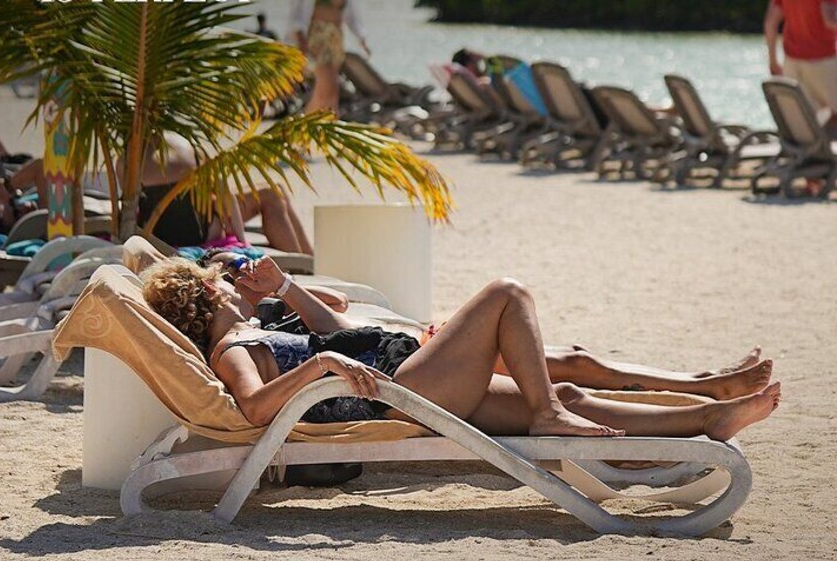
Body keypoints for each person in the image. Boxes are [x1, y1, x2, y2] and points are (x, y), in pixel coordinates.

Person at [142, 255, 781, 440]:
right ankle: (549, 415)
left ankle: (708, 419)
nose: (228, 283)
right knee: (506, 293)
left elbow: (332, 320)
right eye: (217, 282)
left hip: (407, 376)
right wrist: (320, 364)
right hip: (397, 391)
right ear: (205, 299)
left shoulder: (255, 326)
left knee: (568, 390)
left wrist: (289, 297)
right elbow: (254, 408)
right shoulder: (232, 346)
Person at [135, 132, 313, 254]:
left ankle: (309, 259)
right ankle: (300, 264)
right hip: (201, 229)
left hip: (164, 227)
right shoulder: (184, 151)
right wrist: (242, 242)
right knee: (271, 194)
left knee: (276, 188)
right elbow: (224, 195)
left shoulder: (132, 159)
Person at [289, 0, 370, 114]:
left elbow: (351, 17)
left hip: (336, 38)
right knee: (324, 86)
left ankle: (328, 119)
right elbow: (298, 17)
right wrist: (301, 41)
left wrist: (362, 40)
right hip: (319, 36)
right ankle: (312, 120)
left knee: (332, 89)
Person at [765, 0, 837, 116]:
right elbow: (830, 20)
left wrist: (773, 61)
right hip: (823, 61)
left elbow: (770, 22)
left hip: (791, 63)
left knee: (803, 118)